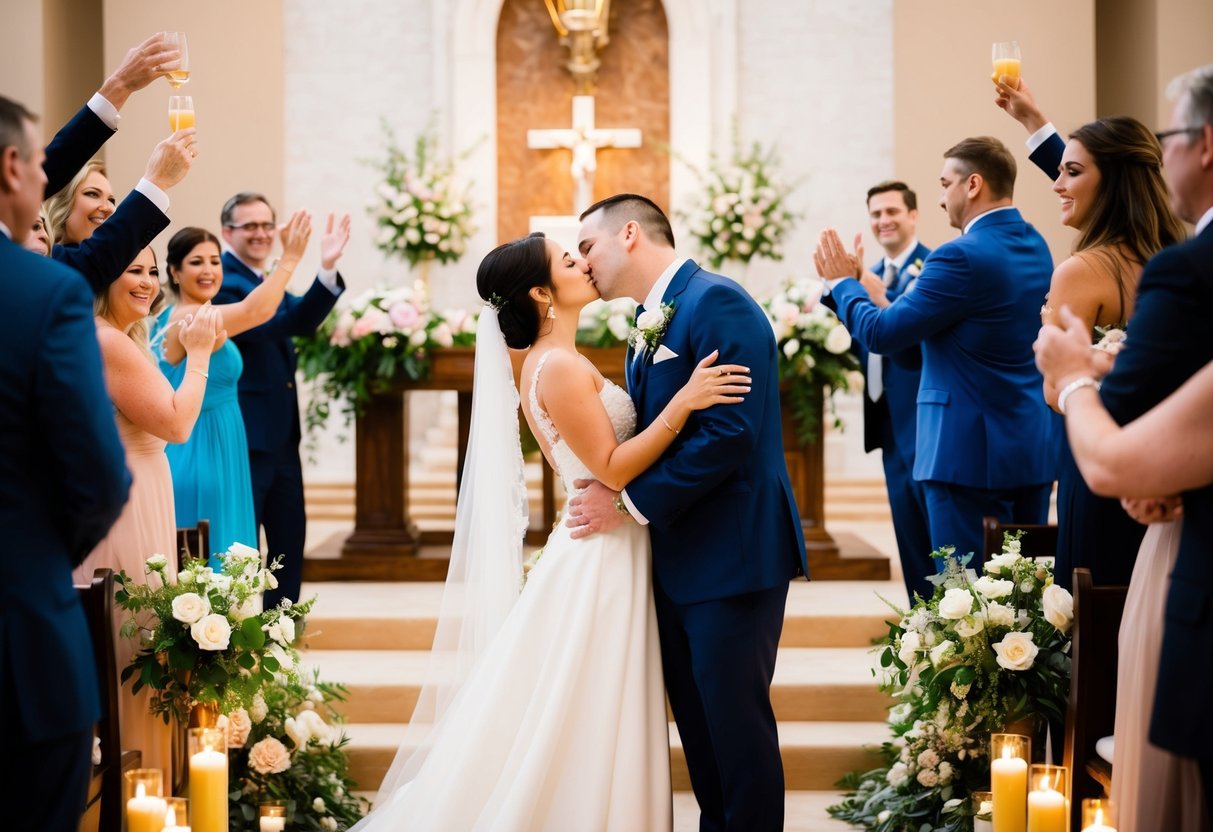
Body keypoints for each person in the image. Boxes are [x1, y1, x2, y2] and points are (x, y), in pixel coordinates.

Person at [354, 232, 749, 830]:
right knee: (593, 698)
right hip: (601, 553)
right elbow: (611, 468)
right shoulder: (557, 365)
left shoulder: (559, 358)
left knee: (593, 700)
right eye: (568, 260)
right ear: (541, 293)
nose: (584, 263)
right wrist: (684, 403)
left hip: (611, 539)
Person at [569, 194, 808, 831]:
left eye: (587, 246)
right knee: (702, 738)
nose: (582, 261)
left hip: (732, 554)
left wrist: (628, 504)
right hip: (678, 558)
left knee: (736, 734)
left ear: (628, 234)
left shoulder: (716, 301)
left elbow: (730, 434)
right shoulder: (648, 319)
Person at [1041, 63, 1213, 829]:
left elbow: (1056, 388)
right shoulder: (1166, 251)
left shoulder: (1086, 268)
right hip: (1176, 472)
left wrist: (1075, 375)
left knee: (1105, 643)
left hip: (1109, 469)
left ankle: (1097, 798)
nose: (1058, 183)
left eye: (1072, 171)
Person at [815, 137, 1056, 563]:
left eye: (946, 184)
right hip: (1028, 450)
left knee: (965, 593)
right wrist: (881, 298)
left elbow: (881, 335)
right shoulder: (1036, 245)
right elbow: (959, 336)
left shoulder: (958, 256)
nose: (942, 199)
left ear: (973, 184)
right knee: (1022, 591)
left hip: (965, 460)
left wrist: (843, 284)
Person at [0, 95, 130, 832]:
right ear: (12, 169)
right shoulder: (44, 293)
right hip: (21, 647)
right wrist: (43, 557)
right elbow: (98, 480)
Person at [74, 246, 220, 782]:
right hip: (126, 508)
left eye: (152, 272)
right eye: (132, 270)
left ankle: (151, 791)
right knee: (133, 642)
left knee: (146, 640)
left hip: (143, 498)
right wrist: (198, 354)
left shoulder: (123, 337)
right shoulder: (107, 339)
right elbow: (177, 425)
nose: (147, 282)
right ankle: (141, 784)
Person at [215, 192, 349, 606]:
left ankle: (282, 629)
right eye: (249, 226)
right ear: (227, 232)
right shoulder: (224, 281)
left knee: (289, 540)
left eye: (266, 225)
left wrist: (326, 267)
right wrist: (291, 260)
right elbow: (275, 325)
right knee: (242, 547)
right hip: (246, 436)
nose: (260, 233)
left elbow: (303, 320)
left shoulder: (263, 280)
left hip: (282, 436)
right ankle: (235, 630)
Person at [153, 216, 312, 568]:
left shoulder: (190, 315)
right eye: (196, 262)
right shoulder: (189, 319)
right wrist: (290, 258)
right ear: (175, 272)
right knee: (212, 560)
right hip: (202, 451)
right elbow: (256, 310)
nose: (209, 270)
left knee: (223, 561)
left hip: (222, 448)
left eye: (214, 261)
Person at [826, 180, 934, 601]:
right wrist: (838, 290)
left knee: (934, 536)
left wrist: (875, 292)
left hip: (923, 421)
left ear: (913, 215)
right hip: (888, 422)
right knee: (909, 538)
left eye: (892, 211)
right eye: (875, 213)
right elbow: (864, 336)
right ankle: (920, 624)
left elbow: (909, 333)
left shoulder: (933, 267)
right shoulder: (870, 273)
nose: (883, 220)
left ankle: (952, 623)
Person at [44, 134, 195, 293]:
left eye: (111, 200)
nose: (107, 208)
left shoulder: (123, 263)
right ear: (61, 203)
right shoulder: (45, 263)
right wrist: (157, 180)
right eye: (92, 194)